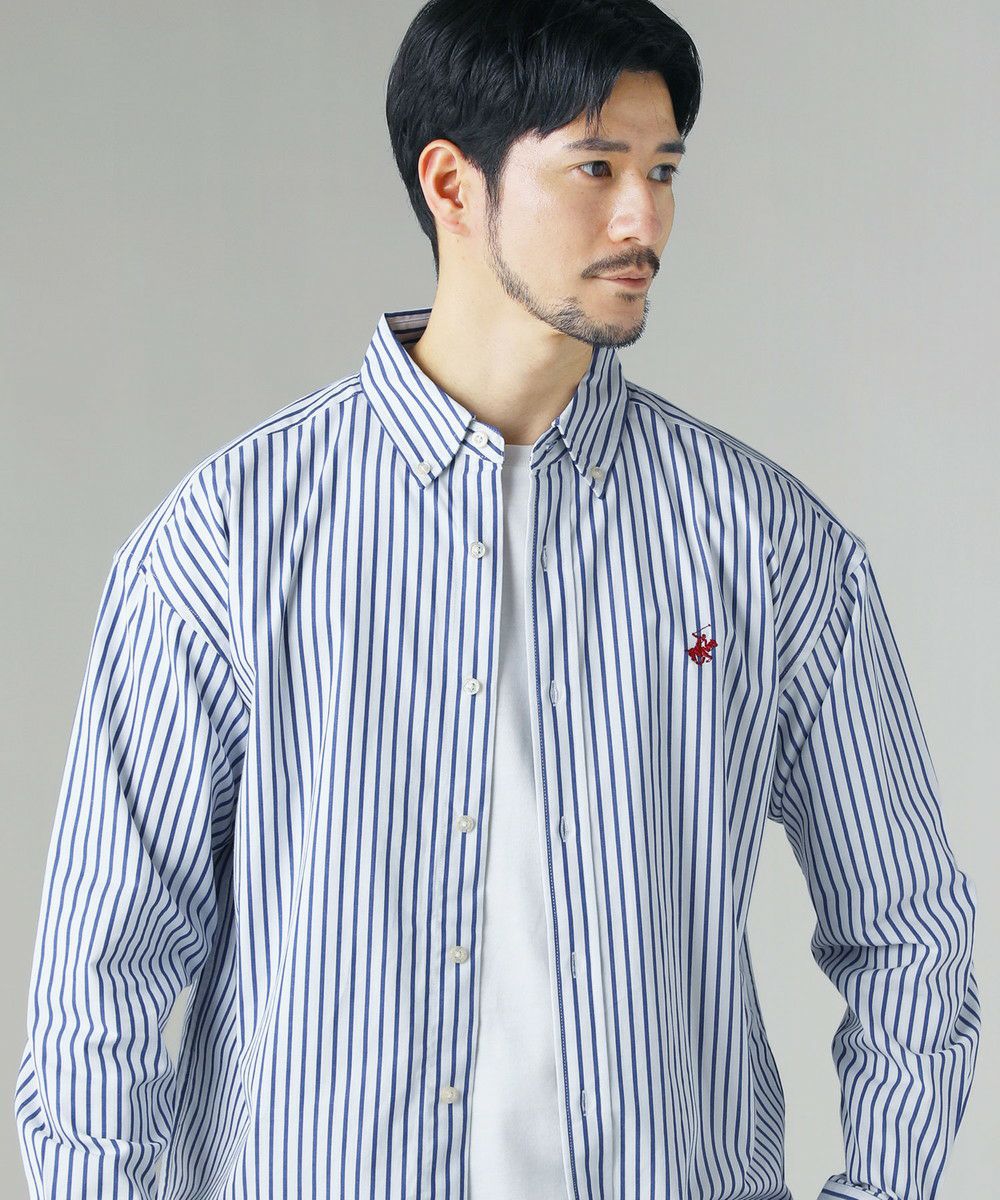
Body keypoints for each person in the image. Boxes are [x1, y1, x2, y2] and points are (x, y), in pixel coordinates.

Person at [14, 1, 980, 1198]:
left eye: (663, 171)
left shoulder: (765, 544)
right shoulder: (229, 541)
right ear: (452, 184)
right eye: (596, 167)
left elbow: (909, 934)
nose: (643, 219)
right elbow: (100, 983)